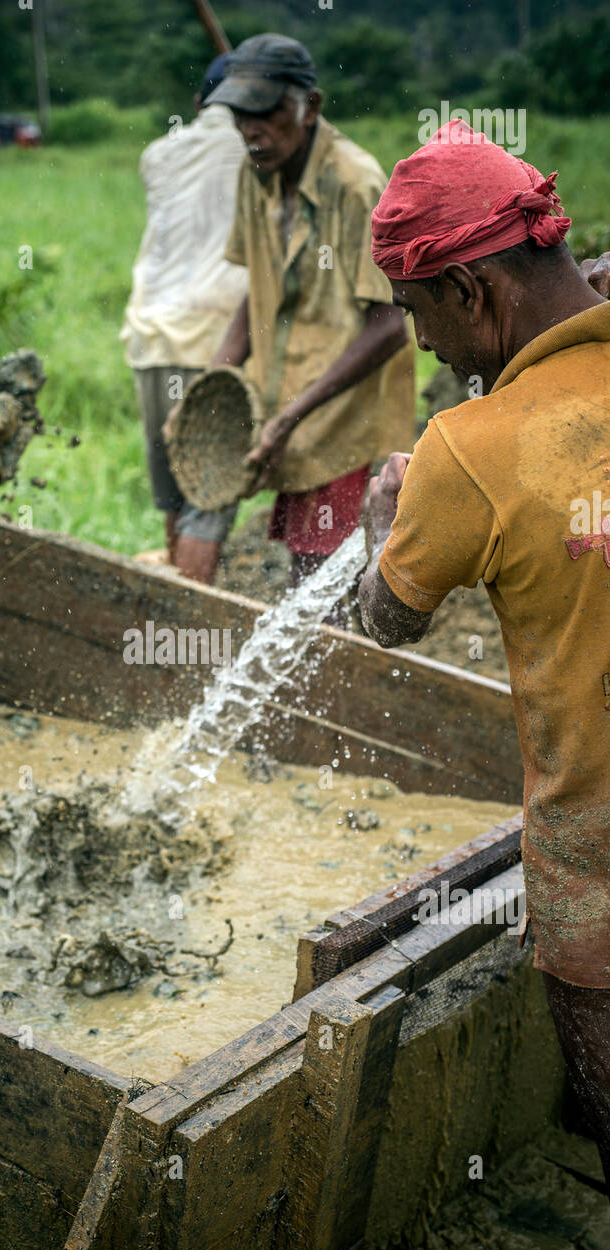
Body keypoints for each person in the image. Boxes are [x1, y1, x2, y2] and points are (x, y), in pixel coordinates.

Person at [358, 119, 610, 1191]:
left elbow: (387, 619)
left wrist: (382, 521)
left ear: (471, 292)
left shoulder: (466, 451)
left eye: (417, 313)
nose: (421, 346)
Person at [205, 33, 414, 587]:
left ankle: (341, 670)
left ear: (310, 107)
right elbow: (260, 288)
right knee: (307, 573)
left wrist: (292, 415)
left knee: (326, 582)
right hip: (288, 411)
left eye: (267, 112)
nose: (252, 130)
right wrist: (217, 374)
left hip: (343, 419)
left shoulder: (354, 182)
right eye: (240, 116)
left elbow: (390, 325)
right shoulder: (256, 172)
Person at [121, 56, 248, 579]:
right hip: (219, 339)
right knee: (209, 498)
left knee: (175, 492)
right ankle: (190, 622)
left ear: (198, 105)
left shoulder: (157, 154)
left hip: (151, 338)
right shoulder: (259, 153)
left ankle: (175, 591)